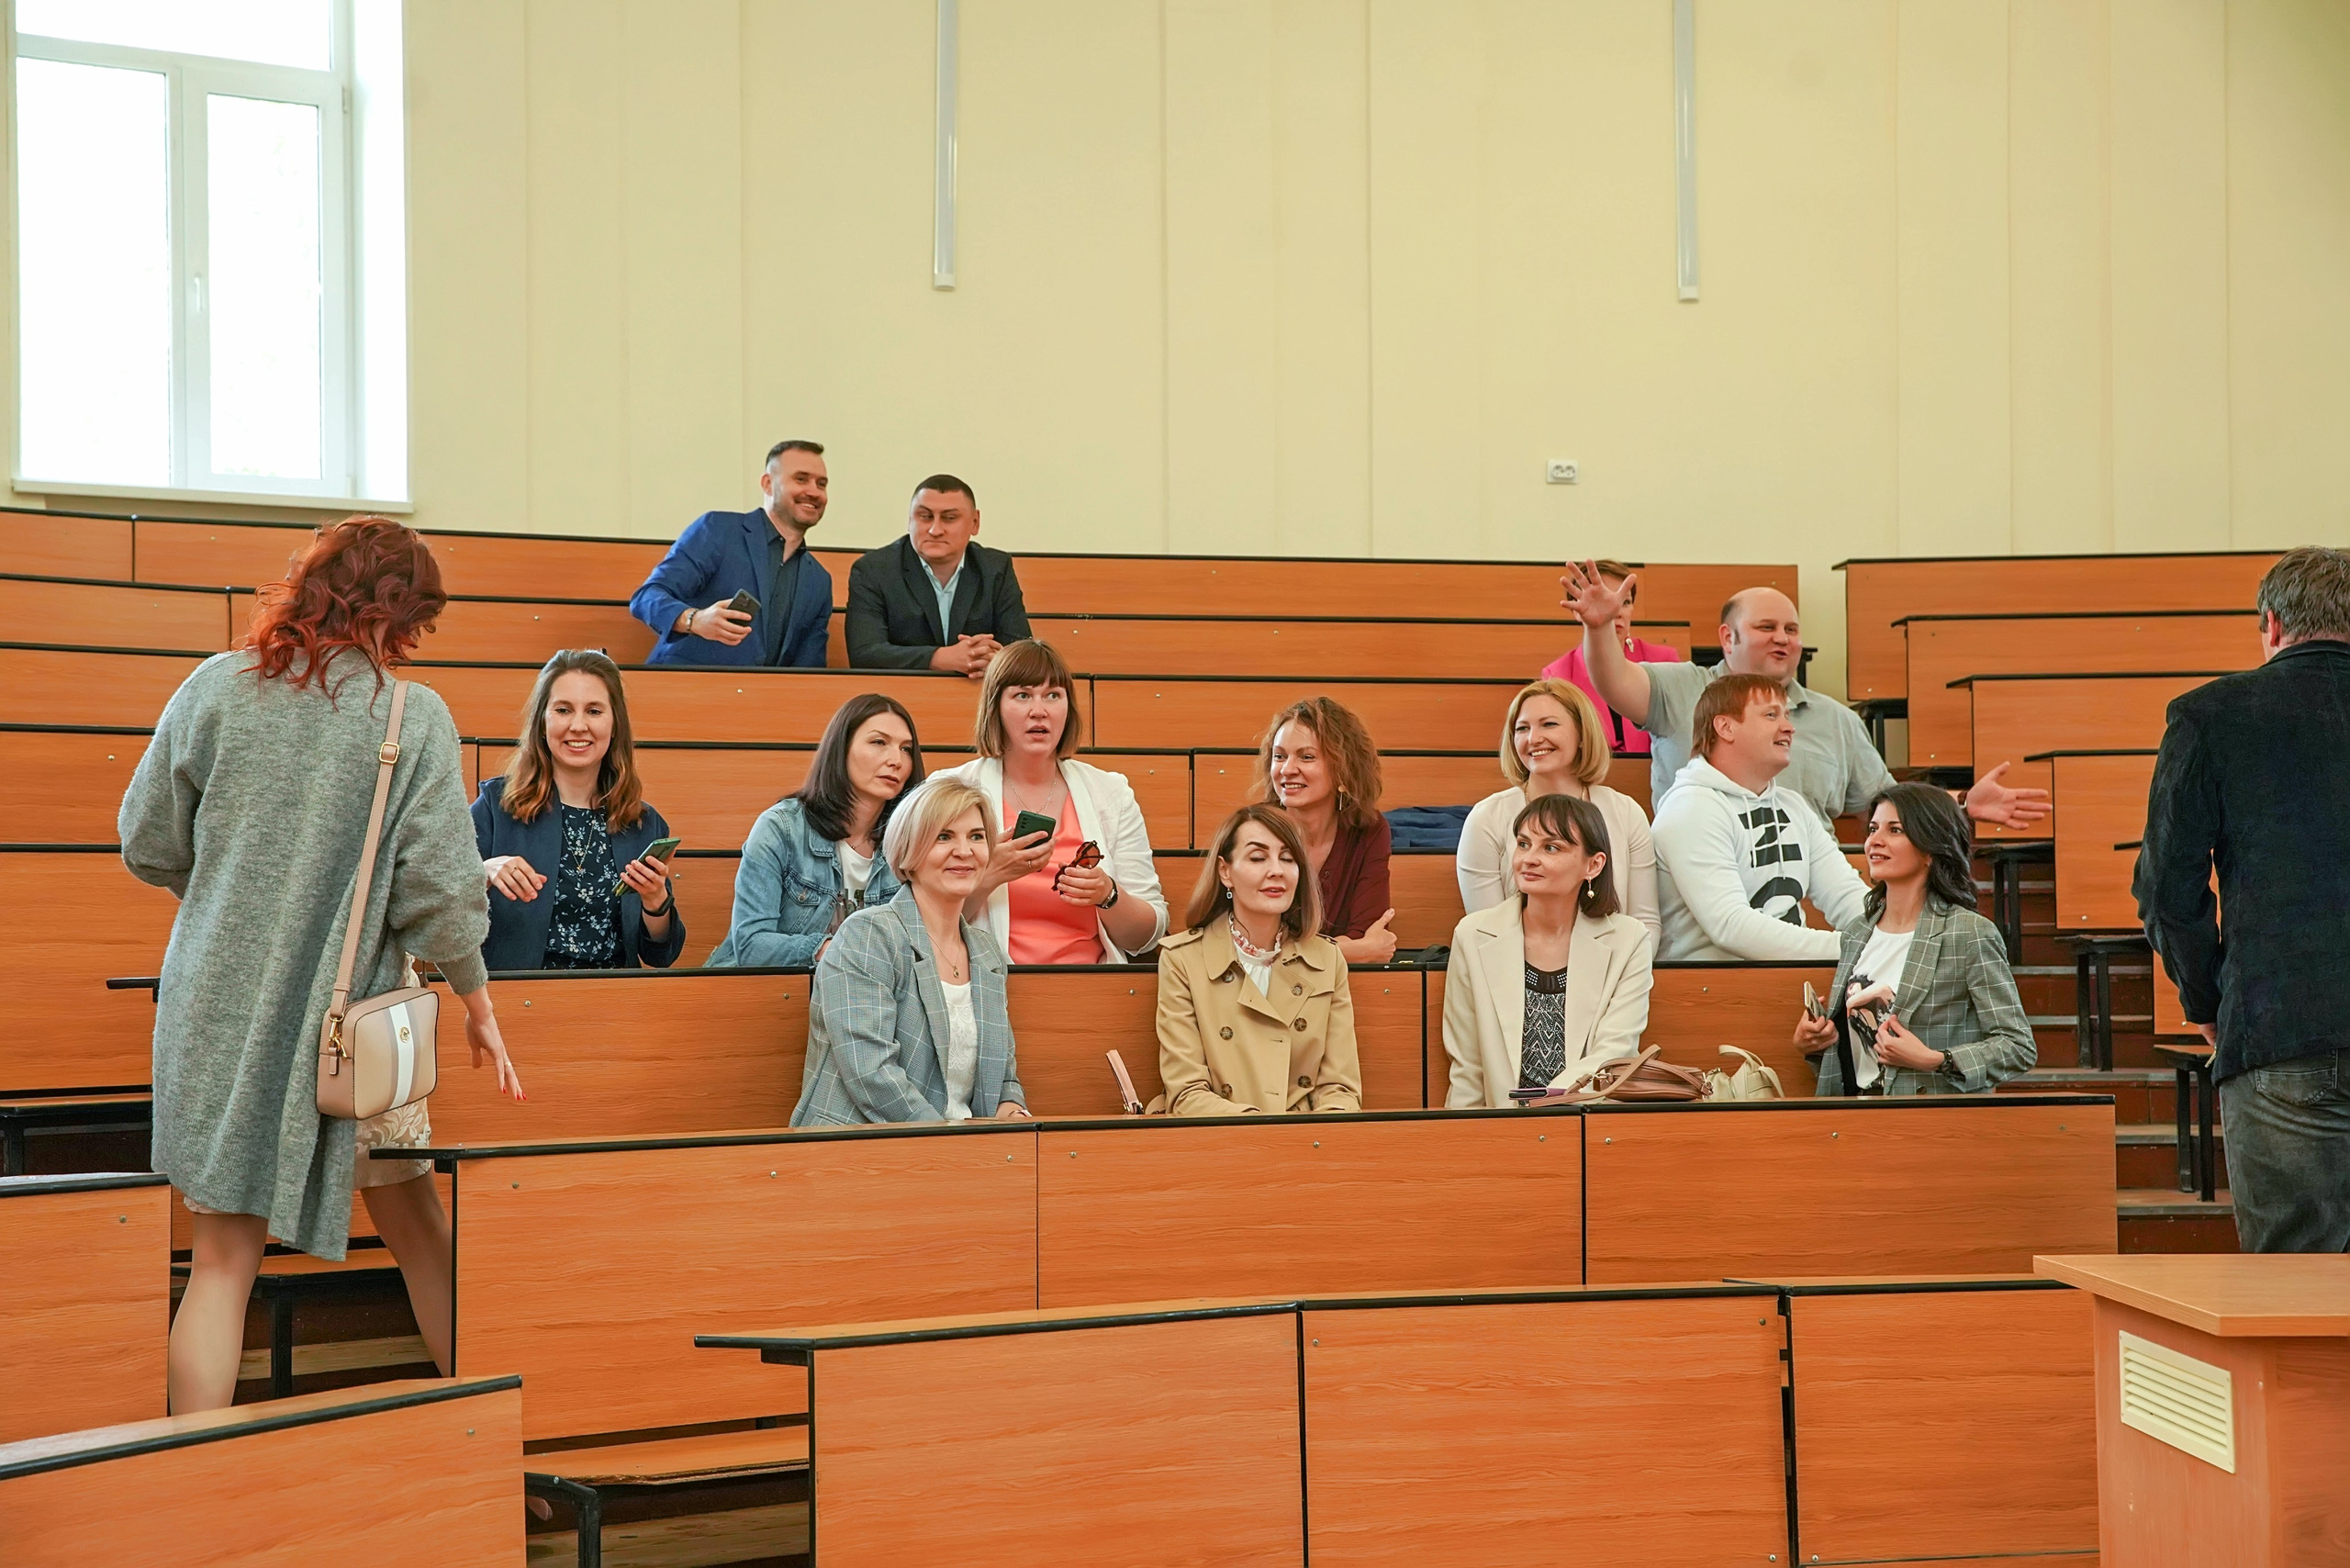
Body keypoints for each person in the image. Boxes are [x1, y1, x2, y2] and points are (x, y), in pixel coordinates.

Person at [117, 516, 523, 1415]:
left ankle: (189, 1490)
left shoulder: (213, 689)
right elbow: (442, 895)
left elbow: (144, 840)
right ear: (391, 611)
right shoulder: (410, 715)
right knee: (419, 1229)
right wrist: (474, 996)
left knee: (221, 1258)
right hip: (356, 1025)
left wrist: (236, 898)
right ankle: (497, 1449)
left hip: (211, 1005)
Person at [2138, 546, 2350, 1252]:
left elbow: (2169, 886)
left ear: (2272, 625)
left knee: (2297, 1292)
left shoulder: (2213, 716)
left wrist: (2207, 999)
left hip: (2281, 1027)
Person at [1558, 564, 2048, 832]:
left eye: (1792, 629)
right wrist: (1600, 628)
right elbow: (1613, 681)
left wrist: (1959, 803)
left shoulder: (1834, 719)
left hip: (1807, 894)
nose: (1784, 639)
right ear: (1728, 639)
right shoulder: (1679, 687)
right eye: (1767, 627)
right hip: (1695, 893)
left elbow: (1880, 802)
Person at [792, 780, 1031, 1125]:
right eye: (944, 837)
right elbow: (870, 1073)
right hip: (859, 1151)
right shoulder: (868, 935)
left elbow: (1002, 1077)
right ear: (909, 851)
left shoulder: (986, 952)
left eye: (977, 837)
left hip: (960, 1153)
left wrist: (1015, 1113)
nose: (964, 851)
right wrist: (951, 1145)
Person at [921, 638, 1169, 962]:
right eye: (1022, 695)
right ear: (995, 706)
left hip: (1091, 986)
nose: (1039, 711)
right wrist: (990, 874)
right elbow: (922, 920)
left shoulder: (1111, 793)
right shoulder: (950, 789)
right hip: (985, 990)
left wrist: (1107, 895)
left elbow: (1148, 936)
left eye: (1053, 695)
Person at [1793, 784, 2035, 1097]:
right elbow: (1858, 1058)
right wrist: (1814, 1043)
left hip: (1931, 1129)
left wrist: (1936, 1060)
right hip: (1855, 1123)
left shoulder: (1969, 933)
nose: (1874, 841)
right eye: (1872, 829)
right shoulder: (1857, 933)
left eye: (1895, 830)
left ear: (1930, 849)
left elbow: (2018, 1046)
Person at [475, 651, 686, 969]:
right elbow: (434, 902)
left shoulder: (644, 824)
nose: (578, 726)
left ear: (614, 725)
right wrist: (484, 872)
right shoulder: (495, 805)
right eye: (563, 710)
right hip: (517, 1002)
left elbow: (660, 954)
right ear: (542, 722)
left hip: (614, 1000)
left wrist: (655, 901)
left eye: (594, 711)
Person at [1443, 794, 1653, 1108]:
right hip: (1502, 1130)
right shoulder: (1473, 936)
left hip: (1591, 1123)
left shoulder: (1628, 939)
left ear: (1593, 865)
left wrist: (1542, 1108)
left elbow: (1612, 1054)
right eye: (1524, 844)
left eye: (1551, 848)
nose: (1528, 858)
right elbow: (1468, 1069)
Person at [1156, 805, 1362, 1116]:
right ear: (1226, 871)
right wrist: (1259, 1135)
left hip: (1309, 1143)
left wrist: (1314, 1143)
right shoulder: (1182, 959)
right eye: (1258, 857)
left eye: (1288, 858)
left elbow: (1339, 1088)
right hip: (1223, 1141)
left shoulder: (1326, 958)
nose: (1276, 870)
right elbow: (1186, 1092)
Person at [1651, 673, 1869, 962]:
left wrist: (1890, 936)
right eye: (1771, 715)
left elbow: (1845, 894)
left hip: (1790, 982)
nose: (1789, 728)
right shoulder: (1691, 808)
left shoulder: (1794, 806)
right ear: (1726, 727)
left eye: (1787, 716)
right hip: (1711, 994)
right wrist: (1852, 947)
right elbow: (1731, 927)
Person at [709, 694, 923, 967]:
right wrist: (834, 950)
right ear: (841, 749)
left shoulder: (908, 843)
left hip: (862, 1002)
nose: (897, 760)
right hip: (764, 995)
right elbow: (752, 946)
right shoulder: (782, 828)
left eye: (906, 749)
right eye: (879, 742)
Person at [1458, 678, 1659, 942]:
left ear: (1582, 735)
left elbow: (1646, 923)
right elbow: (1488, 934)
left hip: (1614, 973)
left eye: (1549, 724)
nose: (1533, 739)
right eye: (1522, 728)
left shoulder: (1627, 812)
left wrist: (1620, 976)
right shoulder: (1486, 818)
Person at [628, 440, 834, 668]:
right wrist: (694, 620)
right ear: (768, 484)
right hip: (683, 690)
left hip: (763, 701)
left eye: (821, 484)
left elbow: (809, 670)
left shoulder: (819, 580)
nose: (813, 492)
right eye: (801, 479)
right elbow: (646, 597)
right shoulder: (718, 530)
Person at [1251, 697, 1398, 964]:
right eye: (1280, 756)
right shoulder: (1254, 832)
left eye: (1306, 757)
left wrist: (1346, 947)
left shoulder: (1368, 830)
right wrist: (1350, 950)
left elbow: (1367, 930)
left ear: (1343, 769)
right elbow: (1258, 950)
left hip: (1339, 992)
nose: (1287, 769)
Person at [845, 474, 1032, 676]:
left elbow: (1021, 650)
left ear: (975, 523)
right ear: (910, 520)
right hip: (898, 696)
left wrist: (995, 660)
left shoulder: (995, 569)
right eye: (925, 517)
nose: (935, 530)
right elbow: (864, 653)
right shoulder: (874, 570)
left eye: (949, 518)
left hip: (978, 693)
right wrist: (941, 658)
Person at [1538, 558, 1681, 756]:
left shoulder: (1663, 660)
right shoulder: (1559, 673)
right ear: (1576, 611)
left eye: (1625, 602)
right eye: (1603, 601)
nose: (1615, 611)